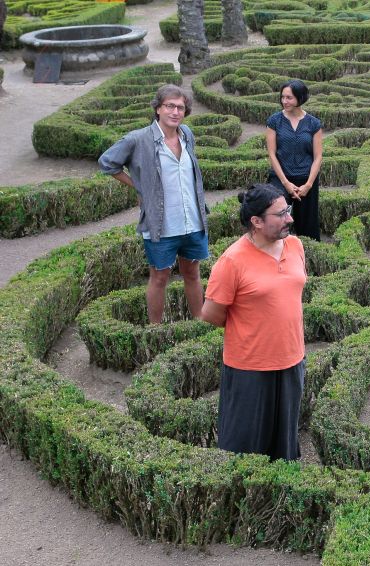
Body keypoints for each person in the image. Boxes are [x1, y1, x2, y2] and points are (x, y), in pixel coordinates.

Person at [200, 184, 307, 461]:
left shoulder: (295, 246)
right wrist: (250, 327)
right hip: (250, 366)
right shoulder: (232, 261)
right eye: (281, 214)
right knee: (244, 447)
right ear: (256, 222)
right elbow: (211, 313)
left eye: (288, 210)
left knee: (284, 444)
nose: (290, 219)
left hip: (292, 359)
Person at [99, 84, 208, 324]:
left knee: (192, 273)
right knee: (159, 277)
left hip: (192, 219)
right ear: (158, 108)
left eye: (180, 107)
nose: (175, 112)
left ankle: (200, 321)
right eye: (170, 106)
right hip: (161, 224)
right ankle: (155, 329)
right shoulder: (138, 139)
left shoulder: (187, 134)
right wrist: (139, 186)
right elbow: (108, 163)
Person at [266, 79, 323, 241]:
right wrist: (286, 184)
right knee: (277, 220)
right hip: (281, 178)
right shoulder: (274, 121)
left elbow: (318, 156)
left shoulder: (313, 123)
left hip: (306, 178)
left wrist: (308, 185)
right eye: (282, 97)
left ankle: (309, 258)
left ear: (300, 97)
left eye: (289, 97)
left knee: (308, 225)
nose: (284, 101)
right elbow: (272, 154)